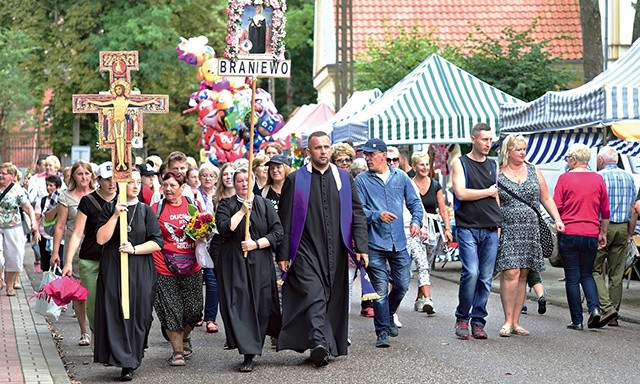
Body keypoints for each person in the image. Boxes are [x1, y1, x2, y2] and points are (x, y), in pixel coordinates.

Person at [278, 131, 369, 365]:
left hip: (336, 249)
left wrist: (362, 246)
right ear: (308, 152)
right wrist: (283, 253)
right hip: (305, 250)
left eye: (326, 147)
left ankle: (324, 345)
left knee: (331, 297)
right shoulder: (295, 179)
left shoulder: (344, 179)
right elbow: (285, 219)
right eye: (318, 148)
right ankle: (319, 341)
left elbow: (357, 213)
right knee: (313, 293)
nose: (323, 152)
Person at [94, 168, 162, 382]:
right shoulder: (108, 208)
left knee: (139, 312)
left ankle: (134, 353)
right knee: (117, 310)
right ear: (121, 184)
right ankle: (126, 362)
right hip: (114, 264)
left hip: (140, 265)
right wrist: (115, 214)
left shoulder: (145, 211)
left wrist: (134, 249)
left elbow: (157, 243)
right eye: (129, 182)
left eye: (137, 182)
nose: (134, 185)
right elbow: (101, 239)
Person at [355, 138, 423, 348]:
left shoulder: (401, 177)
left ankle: (390, 313)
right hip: (375, 243)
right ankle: (382, 331)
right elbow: (358, 211)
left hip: (399, 243)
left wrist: (416, 221)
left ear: (383, 156)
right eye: (364, 155)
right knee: (381, 290)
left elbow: (415, 203)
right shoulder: (361, 181)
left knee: (402, 285)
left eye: (370, 155)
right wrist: (376, 215)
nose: (366, 159)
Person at [495, 135, 564, 337]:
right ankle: (507, 320)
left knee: (524, 274)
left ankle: (516, 321)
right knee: (510, 273)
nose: (523, 153)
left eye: (524, 149)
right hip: (509, 229)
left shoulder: (534, 170)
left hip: (530, 229)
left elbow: (546, 198)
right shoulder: (498, 174)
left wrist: (557, 218)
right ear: (508, 151)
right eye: (519, 149)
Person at [216, 167, 283, 372]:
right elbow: (224, 228)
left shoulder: (264, 204)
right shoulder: (226, 204)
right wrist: (242, 211)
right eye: (239, 181)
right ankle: (248, 353)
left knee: (261, 304)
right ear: (234, 184)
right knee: (240, 304)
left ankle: (259, 341)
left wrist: (257, 243)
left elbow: (278, 232)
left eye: (247, 180)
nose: (244, 184)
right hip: (234, 261)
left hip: (260, 260)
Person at [450, 123, 501, 340]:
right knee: (471, 272)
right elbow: (460, 193)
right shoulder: (459, 163)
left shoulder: (493, 165)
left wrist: (499, 224)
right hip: (467, 227)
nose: (488, 143)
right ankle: (462, 317)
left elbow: (496, 195)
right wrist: (487, 192)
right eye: (484, 139)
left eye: (490, 140)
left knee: (486, 277)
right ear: (473, 139)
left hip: (490, 227)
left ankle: (478, 320)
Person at [554, 143, 611, 330]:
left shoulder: (564, 179)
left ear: (573, 159)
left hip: (569, 232)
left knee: (572, 276)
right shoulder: (598, 179)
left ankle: (577, 320)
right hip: (590, 234)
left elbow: (557, 206)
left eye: (567, 158)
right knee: (587, 274)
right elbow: (605, 210)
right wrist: (602, 233)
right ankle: (595, 309)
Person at [151, 171, 203, 366]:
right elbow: (152, 236)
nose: (168, 189)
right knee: (172, 310)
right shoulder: (156, 208)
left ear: (182, 187)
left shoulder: (193, 205)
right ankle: (177, 351)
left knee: (195, 310)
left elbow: (203, 228)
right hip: (164, 266)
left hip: (192, 266)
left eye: (173, 185)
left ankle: (183, 336)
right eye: (165, 185)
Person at [60, 162, 117, 335]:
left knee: (114, 301)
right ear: (98, 180)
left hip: (116, 258)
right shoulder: (88, 201)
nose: (112, 183)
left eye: (115, 178)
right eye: (107, 179)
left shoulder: (124, 199)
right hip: (90, 259)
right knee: (92, 303)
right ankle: (96, 334)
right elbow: (77, 233)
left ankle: (110, 339)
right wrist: (68, 262)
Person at [50, 160, 95, 346]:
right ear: (73, 177)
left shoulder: (98, 194)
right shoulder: (66, 198)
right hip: (74, 249)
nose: (84, 177)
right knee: (79, 292)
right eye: (80, 174)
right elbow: (59, 226)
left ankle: (97, 328)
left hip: (95, 247)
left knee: (95, 290)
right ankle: (84, 331)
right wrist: (55, 252)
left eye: (87, 173)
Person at [593, 145, 636, 327]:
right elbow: (633, 207)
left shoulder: (599, 177)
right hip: (622, 227)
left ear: (601, 160)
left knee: (594, 269)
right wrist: (630, 232)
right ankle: (615, 316)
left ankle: (606, 307)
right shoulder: (628, 177)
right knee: (617, 272)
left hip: (604, 226)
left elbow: (595, 205)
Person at [331, 143, 374, 318]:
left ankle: (344, 326)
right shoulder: (328, 182)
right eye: (340, 160)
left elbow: (359, 214)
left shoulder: (354, 183)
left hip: (350, 240)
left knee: (348, 281)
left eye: (348, 160)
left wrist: (362, 247)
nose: (344, 163)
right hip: (330, 238)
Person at [410, 151, 452, 315]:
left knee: (426, 265)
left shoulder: (435, 185)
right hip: (416, 228)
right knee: (422, 264)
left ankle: (419, 299)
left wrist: (447, 229)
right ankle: (428, 299)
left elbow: (443, 208)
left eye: (427, 164)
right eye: (421, 164)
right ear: (414, 166)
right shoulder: (409, 184)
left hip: (433, 229)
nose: (425, 167)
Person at [0, 163, 38, 295]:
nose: (0, 175)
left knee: (13, 256)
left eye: (4, 173)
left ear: (12, 176)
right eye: (0, 172)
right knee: (0, 258)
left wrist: (33, 222)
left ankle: (9, 285)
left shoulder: (17, 190)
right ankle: (0, 278)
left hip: (13, 227)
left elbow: (28, 208)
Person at [196, 162, 220, 334]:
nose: (207, 178)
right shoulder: (194, 195)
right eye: (204, 175)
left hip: (215, 246)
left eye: (211, 175)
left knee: (212, 283)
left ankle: (210, 318)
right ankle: (196, 313)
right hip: (197, 244)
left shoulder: (221, 196)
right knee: (196, 282)